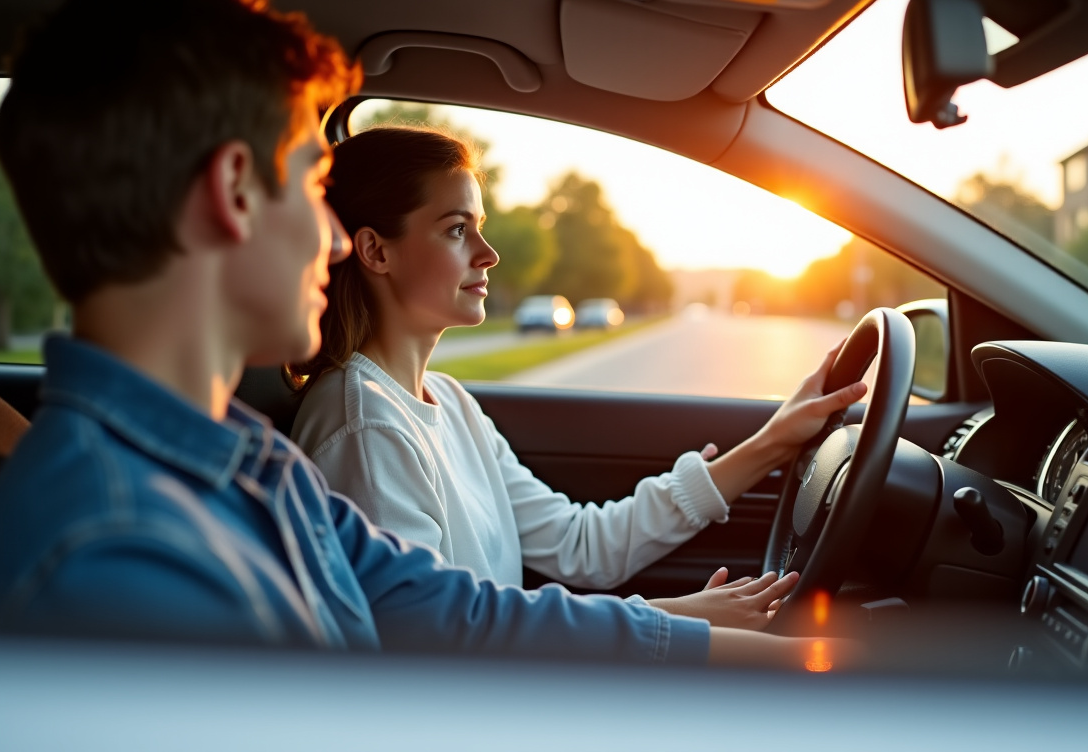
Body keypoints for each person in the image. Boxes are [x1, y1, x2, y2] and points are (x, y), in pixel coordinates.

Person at [0, 0, 853, 669]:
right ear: (235, 193)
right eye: (307, 184)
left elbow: (460, 616)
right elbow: (438, 654)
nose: (328, 239)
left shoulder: (248, 461)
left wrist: (757, 653)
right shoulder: (119, 549)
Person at [287, 125, 869, 630]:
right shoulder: (363, 427)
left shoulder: (450, 402)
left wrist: (774, 441)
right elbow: (437, 634)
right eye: (456, 229)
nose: (489, 253)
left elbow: (579, 545)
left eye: (479, 226)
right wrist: (678, 619)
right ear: (375, 251)